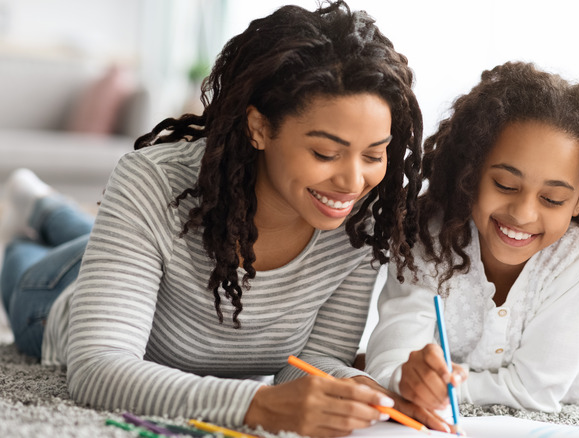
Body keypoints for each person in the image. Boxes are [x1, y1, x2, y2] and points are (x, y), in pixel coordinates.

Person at [0, 2, 451, 436]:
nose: (353, 182)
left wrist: (365, 393)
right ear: (258, 128)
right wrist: (257, 405)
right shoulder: (152, 182)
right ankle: (35, 207)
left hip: (141, 256)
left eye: (375, 154)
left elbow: (315, 363)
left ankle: (48, 206)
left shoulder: (359, 220)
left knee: (86, 232)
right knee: (25, 258)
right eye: (325, 153)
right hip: (54, 296)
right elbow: (98, 369)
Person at [365, 61, 579, 414]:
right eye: (505, 185)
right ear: (471, 172)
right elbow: (385, 370)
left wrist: (445, 387)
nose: (522, 214)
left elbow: (536, 392)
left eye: (552, 199)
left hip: (577, 366)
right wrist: (402, 378)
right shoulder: (426, 236)